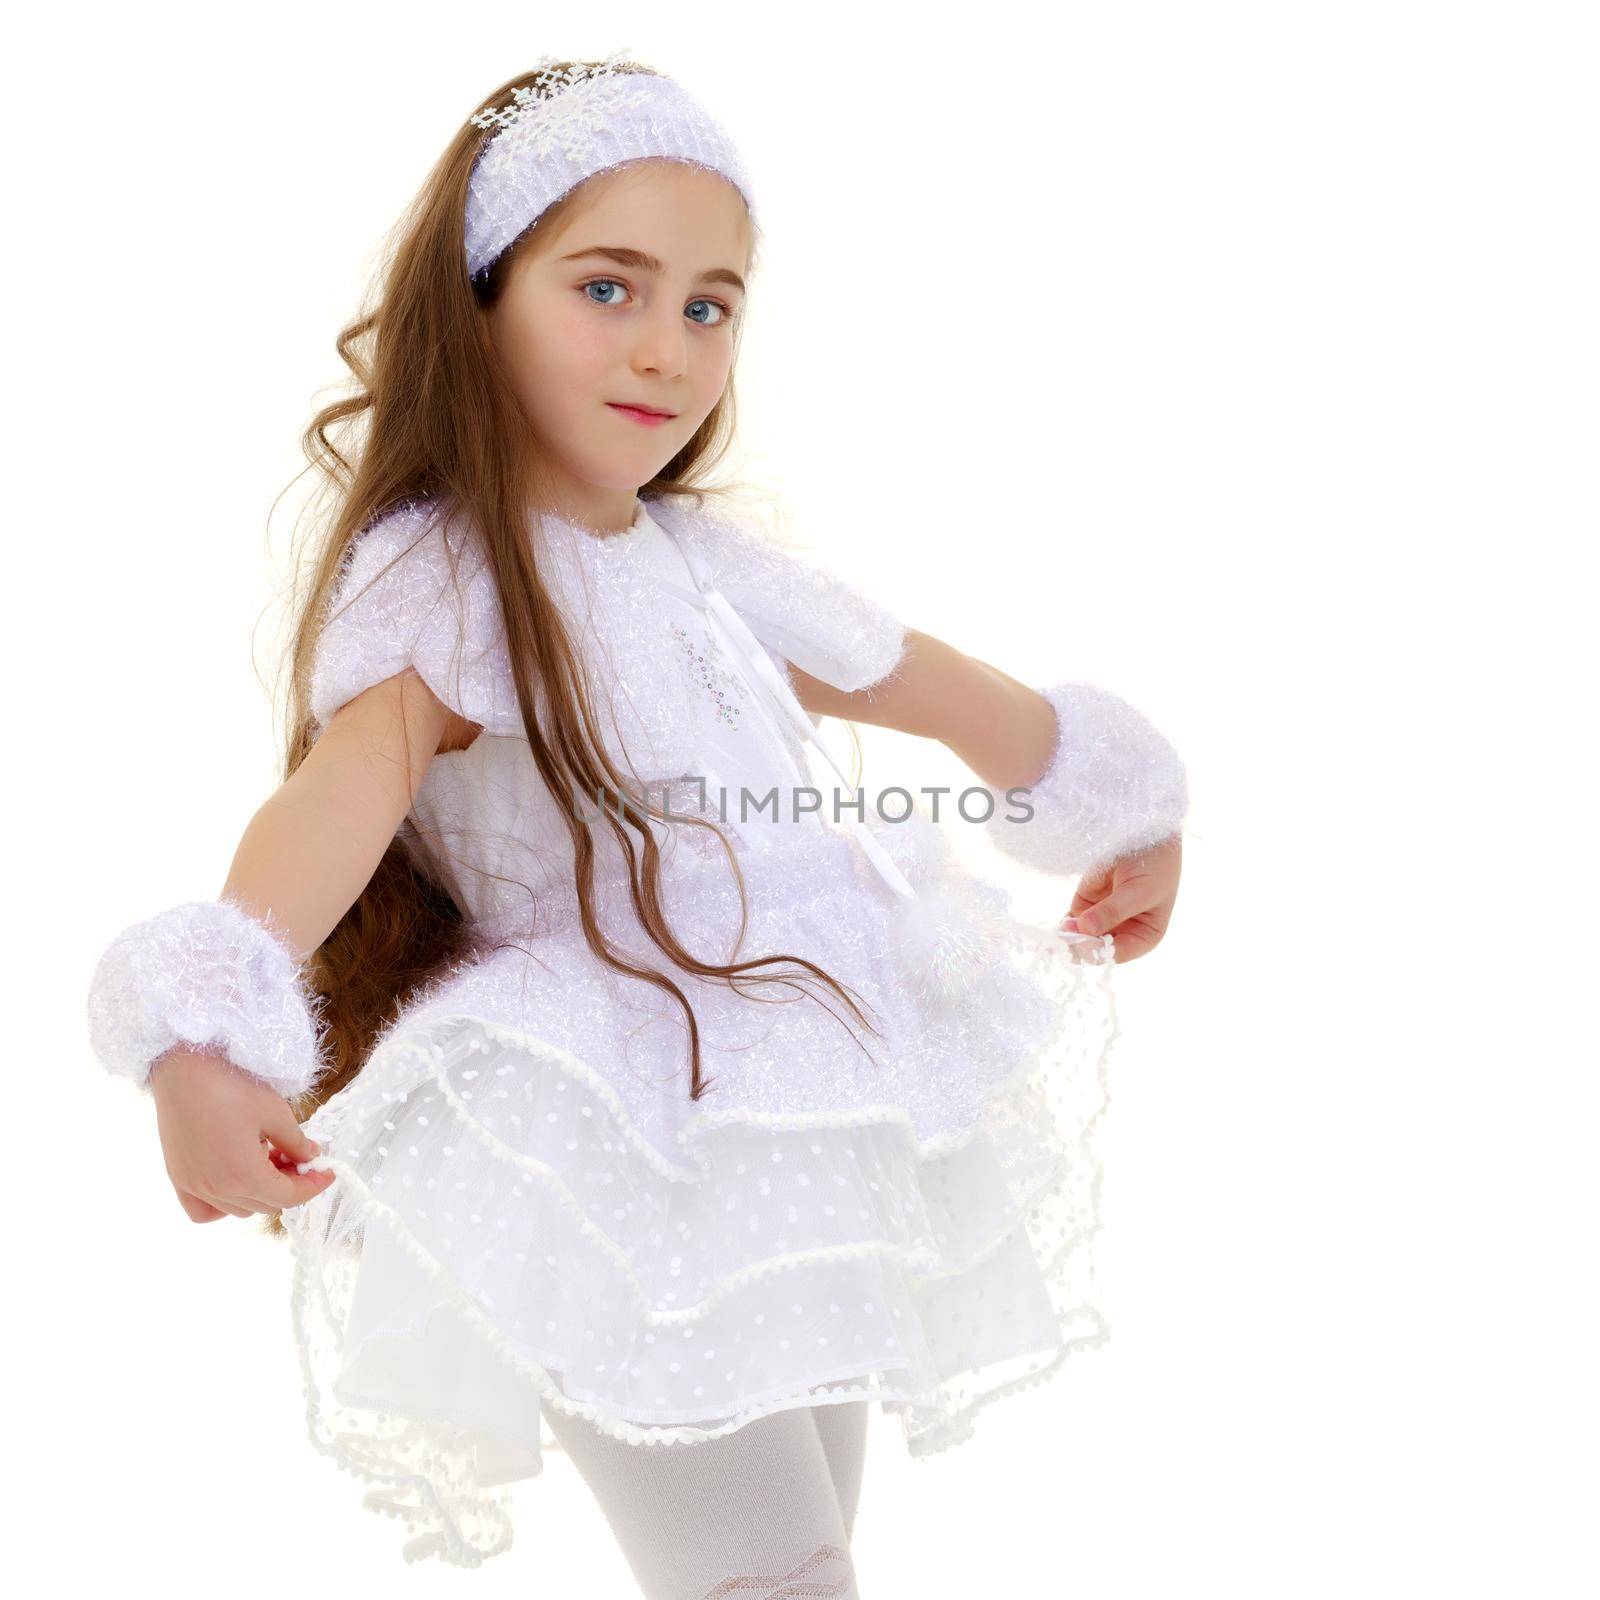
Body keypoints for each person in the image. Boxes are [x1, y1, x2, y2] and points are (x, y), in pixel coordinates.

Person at [86, 51, 1188, 1595]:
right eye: (607, 288)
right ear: (480, 297)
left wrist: (1119, 808)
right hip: (612, 1133)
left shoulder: (707, 564)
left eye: (707, 305)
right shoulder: (452, 575)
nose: (666, 348)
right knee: (777, 1578)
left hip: (801, 1099)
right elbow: (343, 789)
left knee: (809, 1558)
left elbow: (936, 689)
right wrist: (209, 1031)